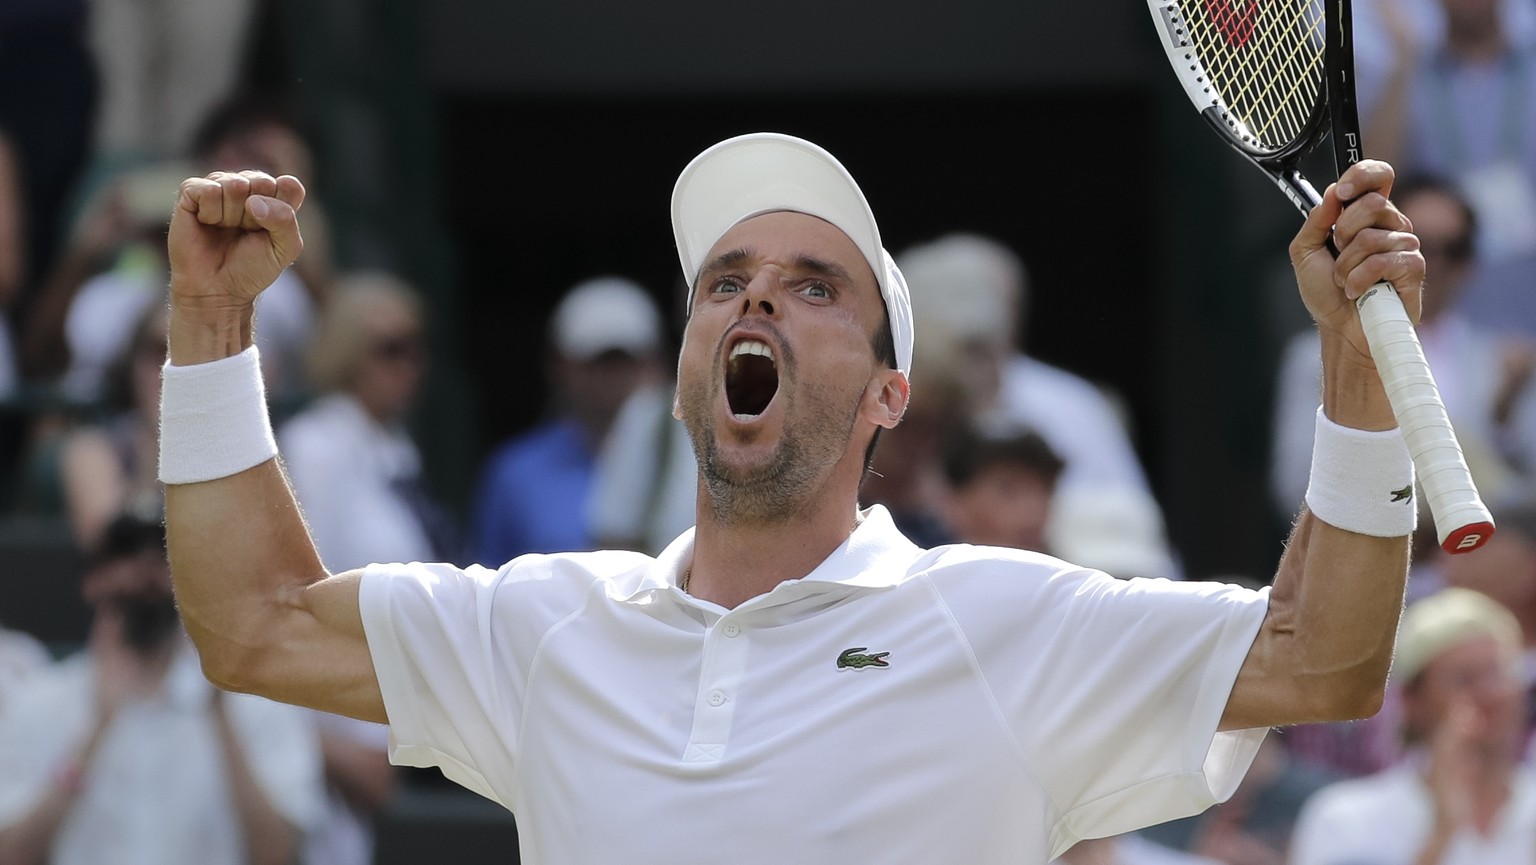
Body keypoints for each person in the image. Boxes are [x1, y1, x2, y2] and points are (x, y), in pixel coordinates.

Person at [160, 133, 1422, 863]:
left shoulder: (1002, 618)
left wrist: (1358, 374)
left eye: (816, 285)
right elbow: (255, 618)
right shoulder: (547, 625)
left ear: (888, 397)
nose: (757, 296)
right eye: (726, 281)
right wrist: (212, 324)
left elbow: (1323, 658)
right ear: (682, 373)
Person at [0, 509, 324, 865]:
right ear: (94, 580)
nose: (147, 571)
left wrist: (219, 710)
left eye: (166, 557)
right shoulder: (40, 701)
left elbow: (280, 856)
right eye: (128, 554)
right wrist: (95, 729)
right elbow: (12, 855)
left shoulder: (256, 702)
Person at [1288, 587, 1536, 865]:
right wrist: (1442, 834)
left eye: (1499, 673)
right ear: (1411, 699)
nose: (1491, 694)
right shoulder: (1345, 819)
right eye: (1464, 679)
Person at [468, 275, 664, 564]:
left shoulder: (698, 465)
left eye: (625, 362)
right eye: (597, 363)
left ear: (655, 365)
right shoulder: (515, 474)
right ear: (560, 366)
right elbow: (484, 584)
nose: (612, 378)